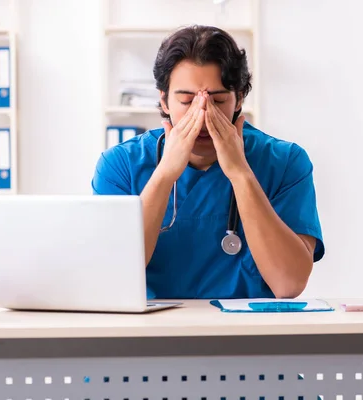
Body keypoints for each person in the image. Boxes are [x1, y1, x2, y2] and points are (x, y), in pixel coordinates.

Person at [92, 25, 325, 299]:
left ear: (238, 99)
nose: (202, 114)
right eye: (186, 100)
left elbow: (289, 284)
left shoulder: (286, 162)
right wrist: (165, 174)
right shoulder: (120, 164)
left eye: (218, 100)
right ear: (164, 101)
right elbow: (109, 276)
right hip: (150, 333)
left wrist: (240, 173)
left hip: (252, 333)